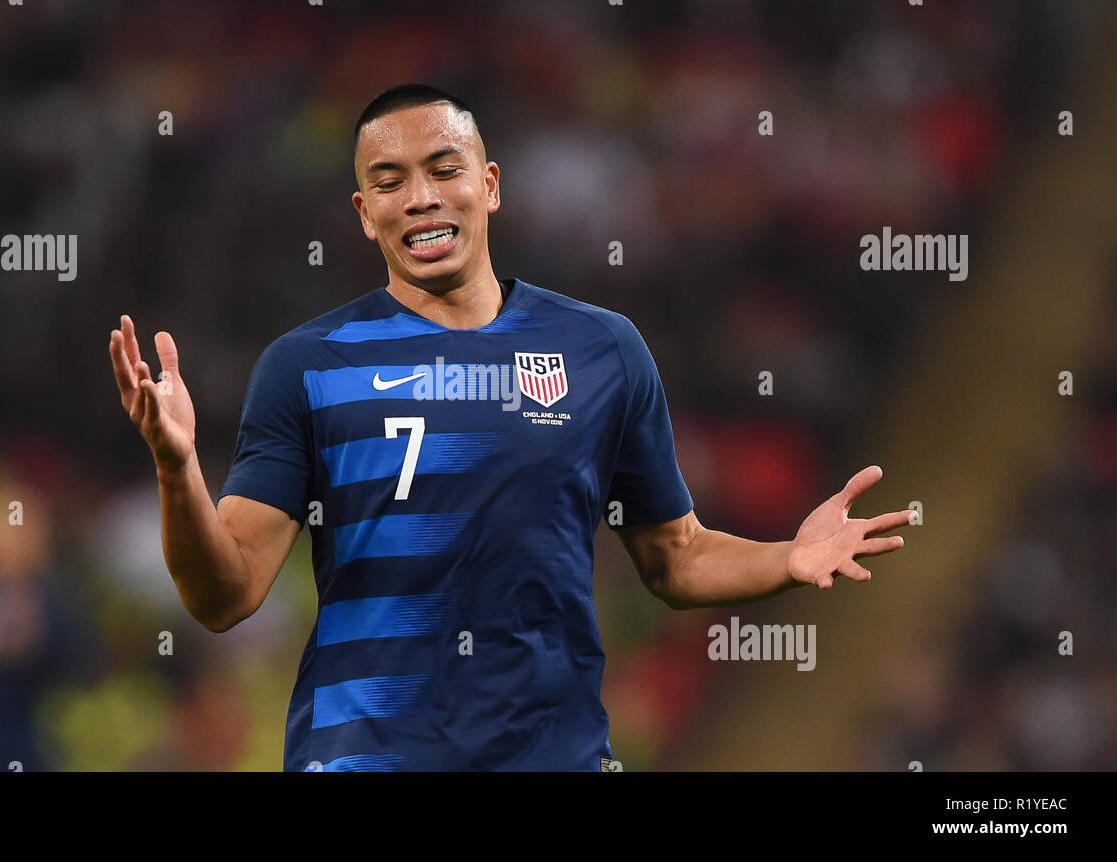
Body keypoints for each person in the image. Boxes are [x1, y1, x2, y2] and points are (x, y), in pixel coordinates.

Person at [108, 84, 913, 771]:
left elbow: (675, 557)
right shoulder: (306, 366)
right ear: (364, 214)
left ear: (488, 185)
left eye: (443, 169)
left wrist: (787, 557)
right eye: (389, 181)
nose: (420, 197)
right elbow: (225, 597)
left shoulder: (601, 351)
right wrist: (177, 468)